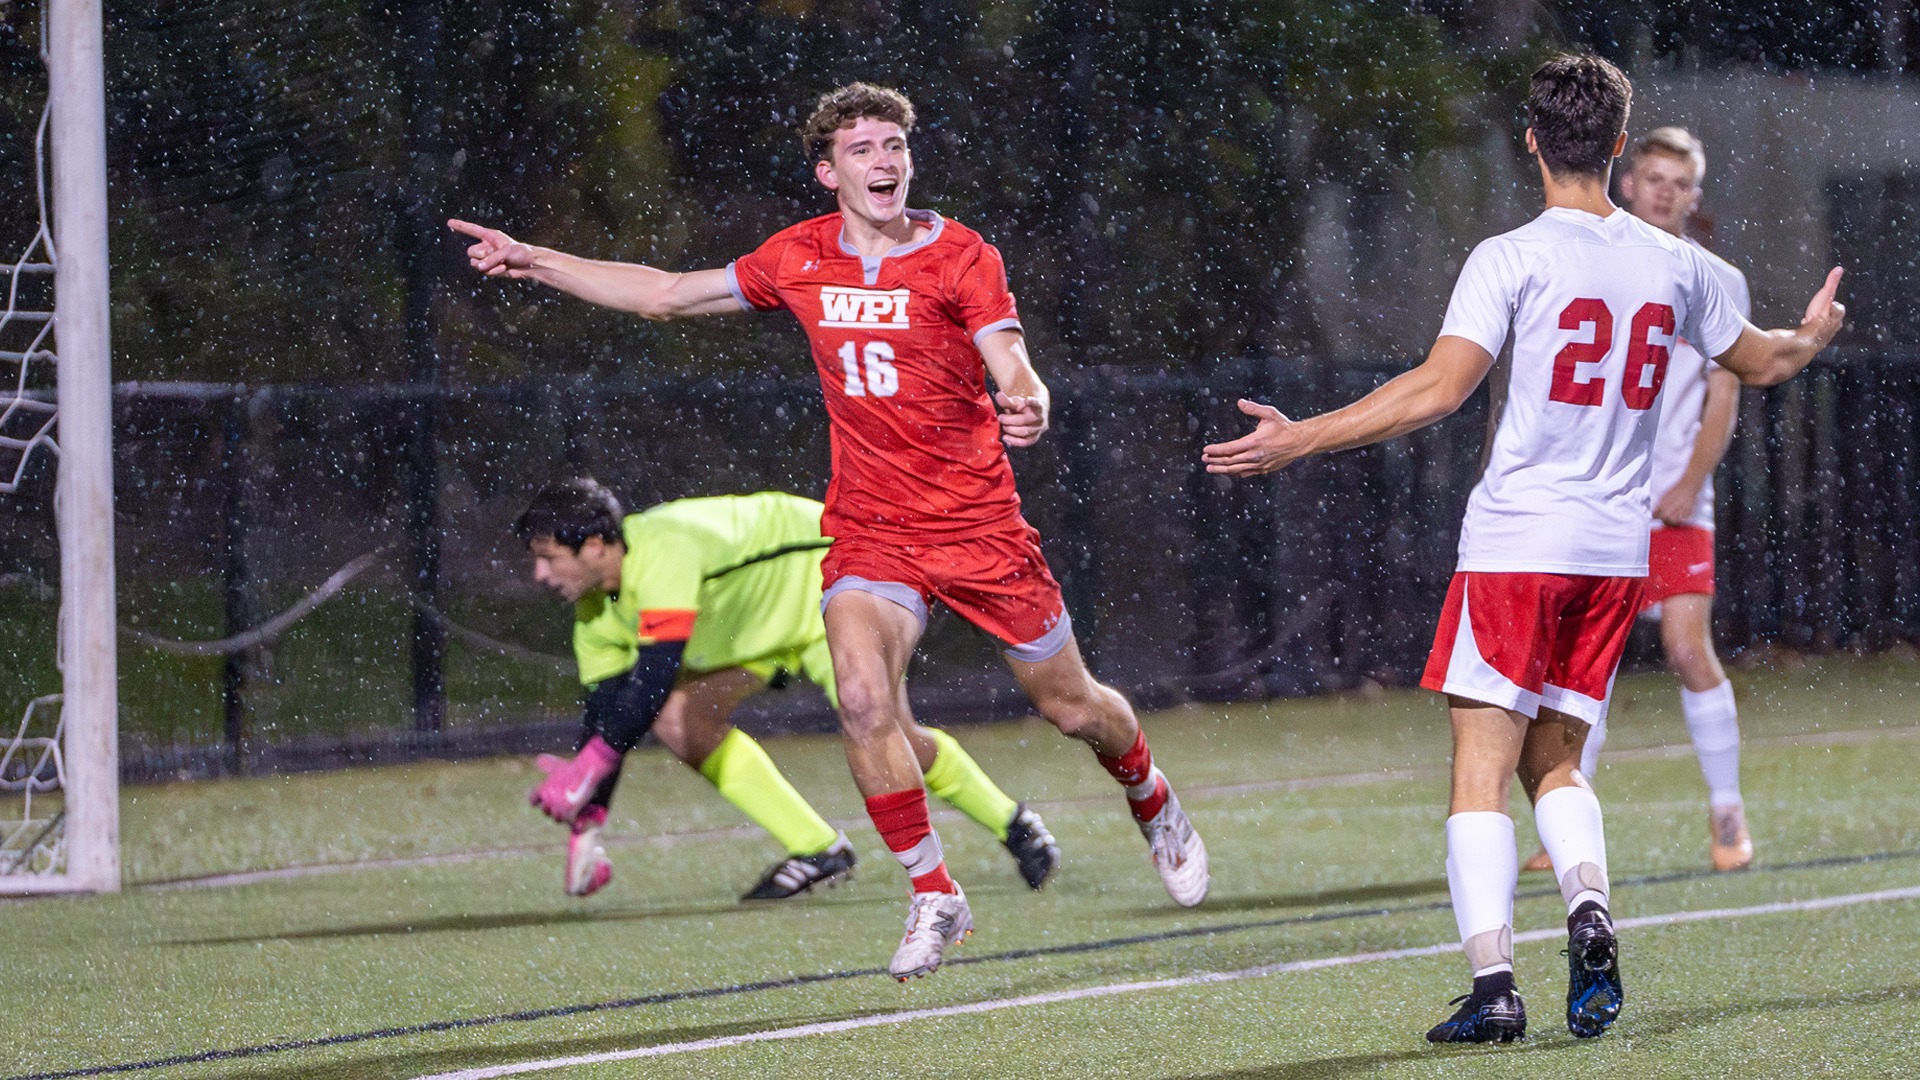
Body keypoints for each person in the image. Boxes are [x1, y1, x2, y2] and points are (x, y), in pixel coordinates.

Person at [455, 82, 1208, 982]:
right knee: (860, 700)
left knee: (1072, 708)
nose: (883, 161)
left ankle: (1150, 794)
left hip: (977, 527)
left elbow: (1012, 358)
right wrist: (538, 259)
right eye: (862, 150)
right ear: (827, 172)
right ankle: (934, 891)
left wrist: (1029, 399)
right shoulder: (798, 258)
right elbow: (666, 295)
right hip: (871, 530)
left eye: (894, 144)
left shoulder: (961, 255)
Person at [1202, 54, 1842, 1044]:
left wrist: (1302, 436)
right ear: (1621, 148)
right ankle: (1589, 908)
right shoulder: (1690, 268)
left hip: (1517, 547)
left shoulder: (1512, 256)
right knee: (1556, 761)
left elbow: (1436, 389)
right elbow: (1765, 361)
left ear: (1534, 140)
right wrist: (1814, 332)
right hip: (1615, 558)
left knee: (1477, 769)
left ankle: (1494, 986)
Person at [513, 478, 1061, 904]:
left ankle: (1014, 824)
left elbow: (653, 678)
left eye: (548, 558)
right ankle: (818, 849)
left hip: (830, 582)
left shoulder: (663, 549)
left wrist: (589, 769)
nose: (538, 574)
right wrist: (588, 827)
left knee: (892, 736)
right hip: (756, 632)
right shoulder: (592, 613)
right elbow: (608, 716)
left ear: (593, 545)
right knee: (680, 719)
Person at [1524, 126, 1756, 876]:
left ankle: (1727, 810)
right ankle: (1562, 827)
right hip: (1600, 501)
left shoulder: (1714, 276)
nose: (1661, 191)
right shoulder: (1596, 263)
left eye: (1677, 182)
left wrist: (1690, 479)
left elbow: (1723, 394)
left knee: (1688, 649)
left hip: (1674, 504)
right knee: (1583, 666)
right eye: (1651, 176)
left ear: (1693, 194)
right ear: (1626, 180)